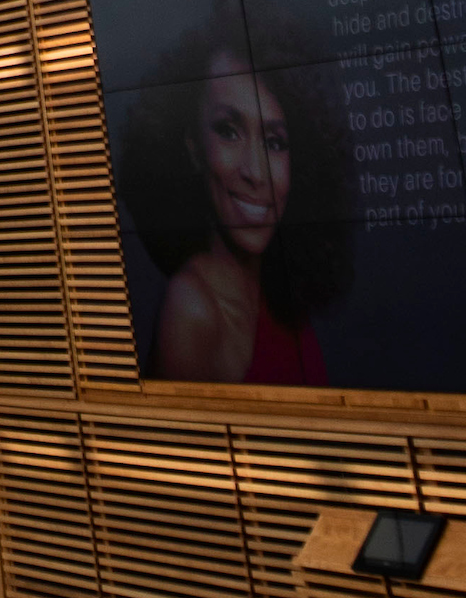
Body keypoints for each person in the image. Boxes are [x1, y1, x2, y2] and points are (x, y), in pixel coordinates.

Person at [114, 34, 353, 384]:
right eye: (229, 131)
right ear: (193, 147)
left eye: (274, 142)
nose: (255, 172)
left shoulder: (277, 297)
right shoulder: (193, 309)